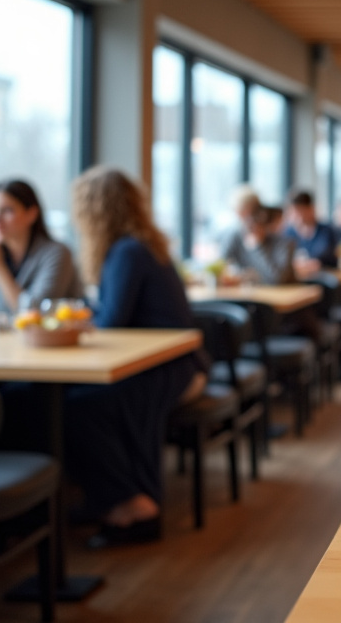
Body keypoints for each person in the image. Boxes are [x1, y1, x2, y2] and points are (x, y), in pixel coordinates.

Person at [67, 166, 204, 547]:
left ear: (95, 211)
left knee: (80, 408)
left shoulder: (128, 251)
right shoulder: (139, 246)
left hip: (169, 367)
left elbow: (111, 321)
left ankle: (133, 504)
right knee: (72, 400)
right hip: (168, 362)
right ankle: (107, 497)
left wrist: (79, 317)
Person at [0, 179, 83, 321]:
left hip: (50, 341)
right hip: (2, 342)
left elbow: (33, 314)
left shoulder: (57, 253)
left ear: (31, 214)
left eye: (7, 210)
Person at [222, 204, 297, 285]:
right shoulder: (239, 237)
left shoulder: (284, 244)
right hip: (253, 293)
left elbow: (277, 279)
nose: (252, 227)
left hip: (284, 293)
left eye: (258, 223)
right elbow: (223, 262)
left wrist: (258, 247)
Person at [284, 190, 338, 270]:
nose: (296, 216)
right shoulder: (288, 233)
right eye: (293, 212)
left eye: (299, 211)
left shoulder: (326, 231)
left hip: (323, 277)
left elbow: (324, 256)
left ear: (311, 209)